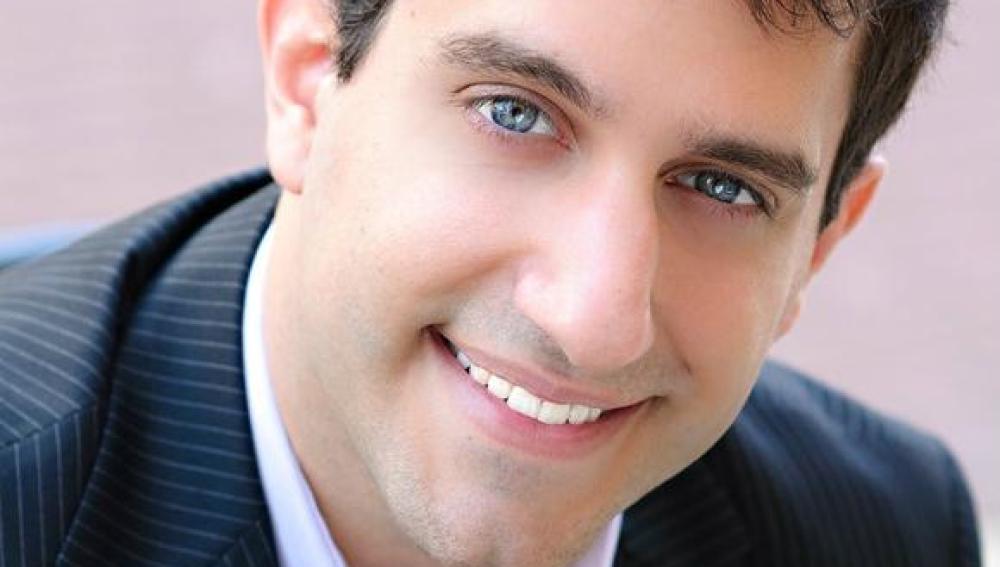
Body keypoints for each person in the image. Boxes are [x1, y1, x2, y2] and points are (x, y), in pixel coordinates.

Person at [0, 0, 982, 565]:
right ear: (307, 78)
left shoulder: (877, 530)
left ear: (817, 246)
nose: (593, 319)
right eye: (515, 114)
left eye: (724, 187)